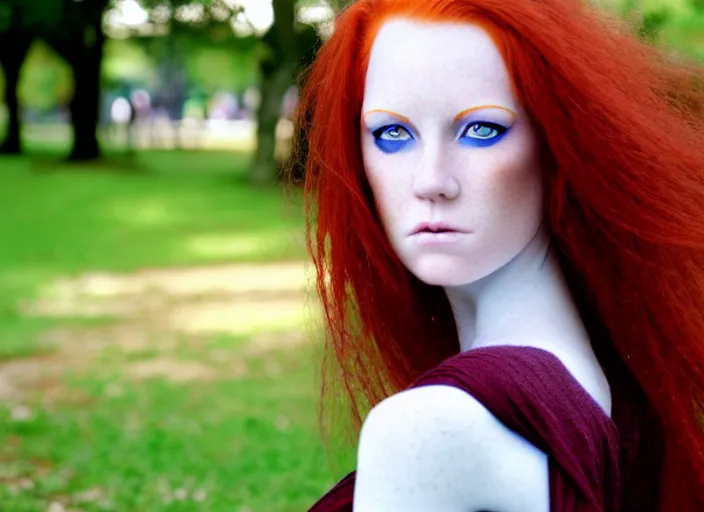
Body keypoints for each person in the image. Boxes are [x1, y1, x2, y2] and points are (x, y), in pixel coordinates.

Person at [293, 0, 704, 510]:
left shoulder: (426, 432)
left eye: (482, 130)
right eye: (392, 133)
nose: (431, 181)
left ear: (561, 141)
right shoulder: (610, 376)